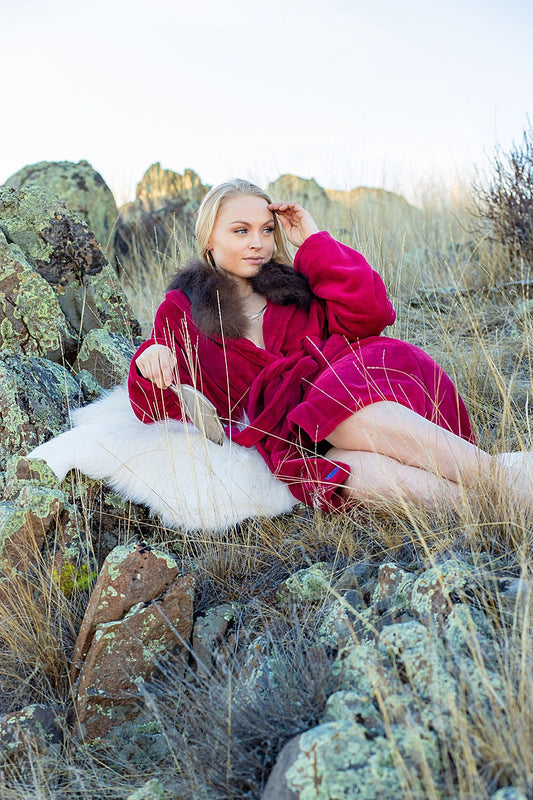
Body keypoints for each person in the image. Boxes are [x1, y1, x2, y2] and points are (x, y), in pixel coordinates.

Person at [127, 179, 525, 514]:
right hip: (295, 436)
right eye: (241, 230)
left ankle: (504, 482)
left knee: (331, 402)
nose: (259, 244)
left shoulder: (296, 285)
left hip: (353, 392)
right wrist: (151, 360)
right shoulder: (183, 310)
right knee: (347, 475)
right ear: (208, 240)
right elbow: (156, 404)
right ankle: (491, 508)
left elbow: (372, 313)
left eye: (268, 230)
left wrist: (313, 239)